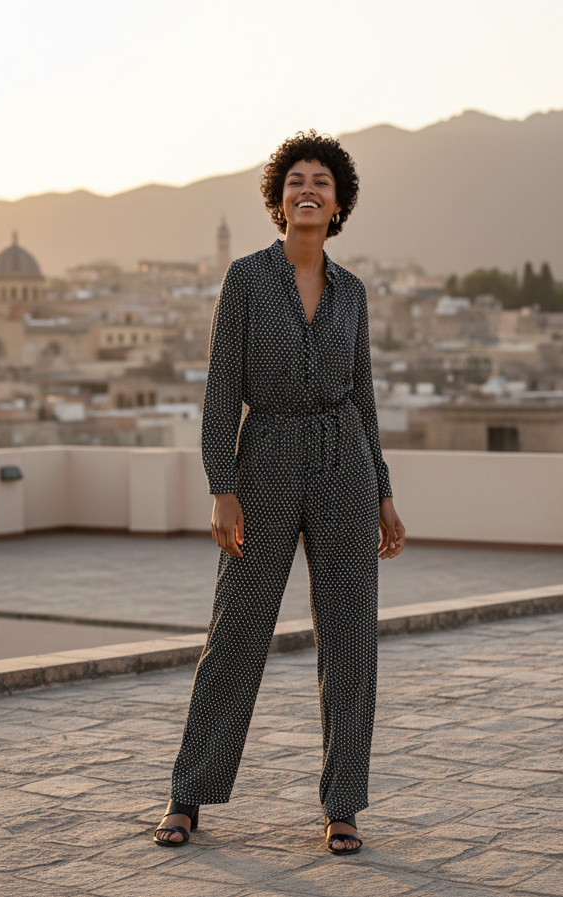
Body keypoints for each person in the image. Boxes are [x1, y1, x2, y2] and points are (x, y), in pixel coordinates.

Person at [154, 130, 405, 855]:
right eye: (296, 178)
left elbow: (362, 397)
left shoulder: (351, 292)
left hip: (343, 464)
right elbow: (218, 392)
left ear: (338, 202)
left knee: (352, 637)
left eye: (321, 181)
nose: (308, 189)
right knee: (234, 633)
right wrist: (220, 488)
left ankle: (344, 804)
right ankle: (187, 793)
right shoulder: (245, 279)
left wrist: (383, 491)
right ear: (278, 198)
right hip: (263, 461)